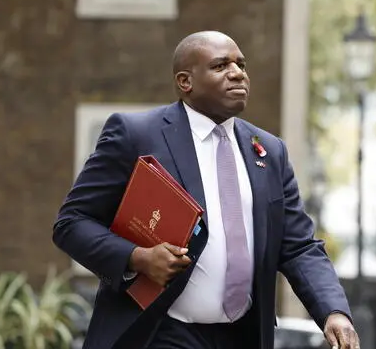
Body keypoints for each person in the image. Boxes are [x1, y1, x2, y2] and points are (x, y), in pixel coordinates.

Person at [52, 31, 357, 349]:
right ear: (186, 82)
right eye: (220, 65)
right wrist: (137, 258)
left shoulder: (268, 151)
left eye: (241, 64)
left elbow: (298, 247)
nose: (238, 73)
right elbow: (72, 223)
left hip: (242, 336)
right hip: (160, 333)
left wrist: (333, 312)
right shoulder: (136, 135)